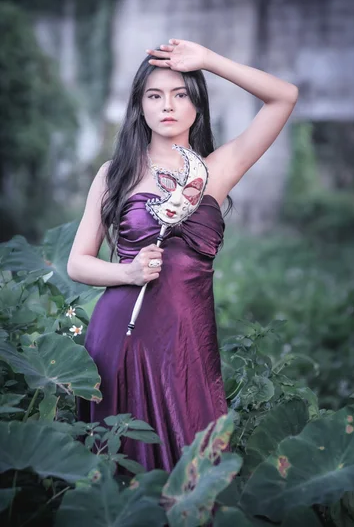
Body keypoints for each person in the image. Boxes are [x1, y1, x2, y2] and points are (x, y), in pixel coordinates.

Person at [67, 38, 298, 473]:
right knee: (124, 470)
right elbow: (77, 262)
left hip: (188, 343)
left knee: (194, 467)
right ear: (139, 105)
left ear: (197, 105)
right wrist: (129, 271)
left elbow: (284, 96)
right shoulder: (114, 173)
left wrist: (209, 60)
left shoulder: (216, 171)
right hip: (124, 335)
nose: (167, 106)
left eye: (180, 94)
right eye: (154, 95)